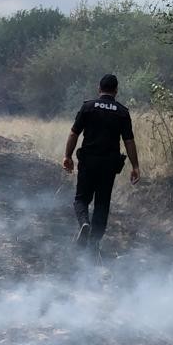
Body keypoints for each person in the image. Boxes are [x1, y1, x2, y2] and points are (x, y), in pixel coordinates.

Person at [63, 73, 140, 250]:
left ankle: (84, 223)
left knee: (81, 199)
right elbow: (129, 141)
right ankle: (94, 242)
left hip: (88, 161)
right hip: (109, 165)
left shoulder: (88, 107)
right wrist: (135, 166)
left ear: (99, 89)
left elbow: (74, 133)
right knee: (102, 203)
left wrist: (68, 156)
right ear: (116, 91)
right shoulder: (122, 112)